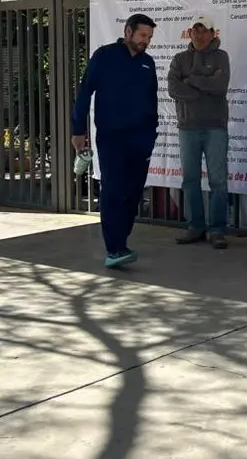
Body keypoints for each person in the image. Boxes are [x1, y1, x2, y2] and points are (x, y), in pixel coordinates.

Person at [71, 14, 158, 269]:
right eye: (142, 35)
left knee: (133, 191)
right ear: (128, 32)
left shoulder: (148, 63)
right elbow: (85, 93)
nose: (145, 41)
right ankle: (114, 248)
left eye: (149, 37)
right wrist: (78, 130)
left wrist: (152, 133)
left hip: (142, 138)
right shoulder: (105, 56)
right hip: (112, 136)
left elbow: (152, 100)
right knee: (113, 189)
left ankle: (122, 242)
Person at [167, 15, 231, 250]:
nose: (199, 35)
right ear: (190, 33)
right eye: (195, 30)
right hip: (188, 128)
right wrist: (203, 87)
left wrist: (191, 80)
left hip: (215, 127)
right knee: (191, 180)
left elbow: (220, 86)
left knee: (218, 181)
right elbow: (173, 88)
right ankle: (195, 226)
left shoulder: (221, 56)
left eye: (204, 31)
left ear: (213, 34)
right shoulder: (179, 59)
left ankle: (217, 230)